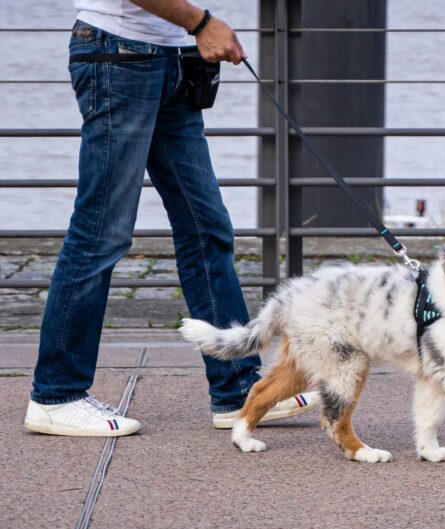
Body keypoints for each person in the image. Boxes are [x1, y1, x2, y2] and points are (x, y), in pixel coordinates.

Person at [24, 0, 318, 437]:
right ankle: (57, 394)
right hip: (118, 57)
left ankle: (238, 390)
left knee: (207, 229)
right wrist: (201, 23)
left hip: (170, 57)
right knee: (101, 232)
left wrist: (192, 31)